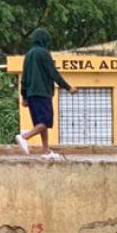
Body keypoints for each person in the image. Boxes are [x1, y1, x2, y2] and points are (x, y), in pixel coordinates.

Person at [15, 28, 77, 159]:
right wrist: (68, 87)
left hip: (31, 94)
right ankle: (24, 136)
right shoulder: (43, 53)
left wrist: (24, 96)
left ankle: (46, 150)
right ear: (44, 40)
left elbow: (24, 78)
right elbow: (53, 73)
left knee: (41, 123)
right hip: (42, 93)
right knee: (46, 121)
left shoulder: (29, 55)